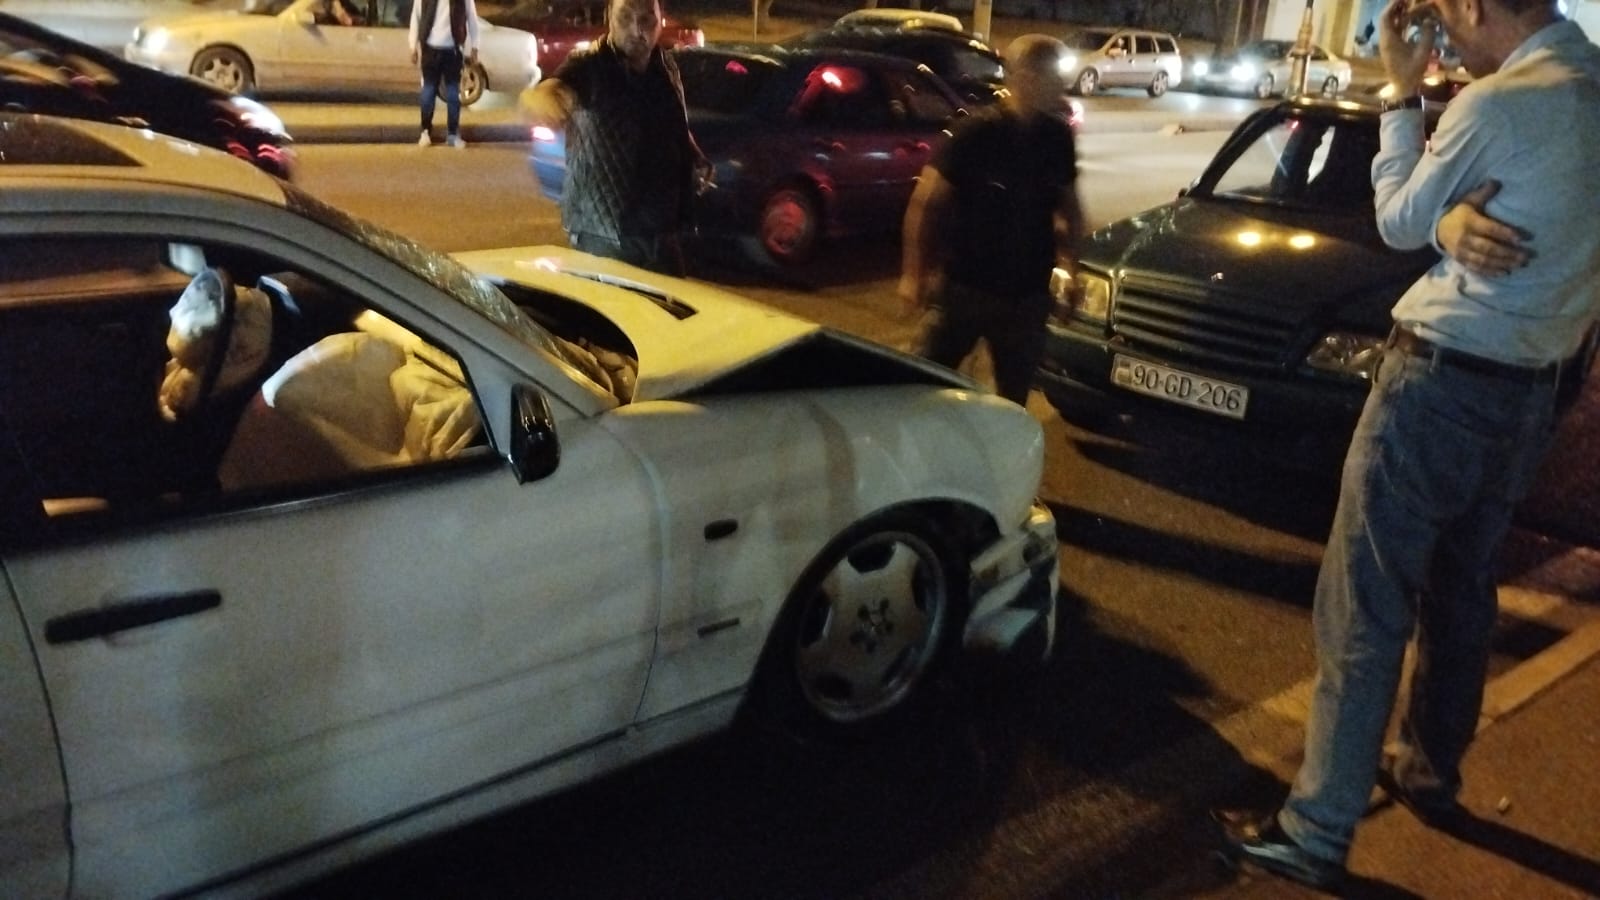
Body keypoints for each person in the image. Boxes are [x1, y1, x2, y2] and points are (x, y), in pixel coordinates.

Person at [1214, 0, 1600, 890]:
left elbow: (1394, 219)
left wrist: (1401, 91)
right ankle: (1430, 773)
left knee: (1364, 604)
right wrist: (1450, 221)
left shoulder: (1497, 104)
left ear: (1472, 7)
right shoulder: (1587, 94)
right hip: (1528, 392)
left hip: (1439, 382)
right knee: (1463, 590)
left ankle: (1316, 830)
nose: (1445, 37)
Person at [898, 34, 1087, 407]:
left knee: (1012, 400)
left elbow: (1070, 209)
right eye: (1055, 78)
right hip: (965, 290)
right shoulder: (975, 132)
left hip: (1027, 298)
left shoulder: (1056, 138)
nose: (1062, 88)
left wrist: (1072, 271)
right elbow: (925, 204)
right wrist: (913, 275)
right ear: (1026, 77)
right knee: (922, 385)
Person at [520, 0, 709, 276]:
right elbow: (550, 90)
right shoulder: (589, 64)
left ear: (661, 21)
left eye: (647, 20)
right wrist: (541, 100)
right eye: (625, 18)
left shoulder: (665, 65)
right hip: (607, 235)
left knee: (673, 301)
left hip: (661, 231)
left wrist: (692, 152)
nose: (636, 30)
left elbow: (670, 123)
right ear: (609, 17)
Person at [408, 0, 480, 148]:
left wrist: (413, 46)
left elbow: (416, 17)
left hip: (442, 49)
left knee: (435, 90)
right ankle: (447, 134)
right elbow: (472, 18)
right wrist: (475, 46)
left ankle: (429, 133)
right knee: (444, 91)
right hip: (443, 49)